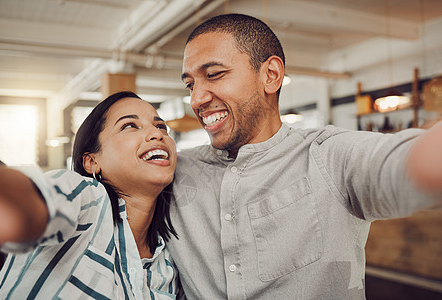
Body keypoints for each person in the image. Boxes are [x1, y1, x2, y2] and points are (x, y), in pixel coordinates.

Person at [167, 13, 442, 299]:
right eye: (190, 85)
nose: (196, 99)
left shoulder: (330, 156)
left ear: (271, 75)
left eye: (214, 75)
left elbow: (405, 162)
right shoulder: (173, 173)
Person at [0, 91, 181, 299]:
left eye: (161, 126)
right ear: (91, 162)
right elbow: (35, 201)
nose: (157, 134)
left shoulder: (167, 263)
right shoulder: (86, 198)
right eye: (129, 125)